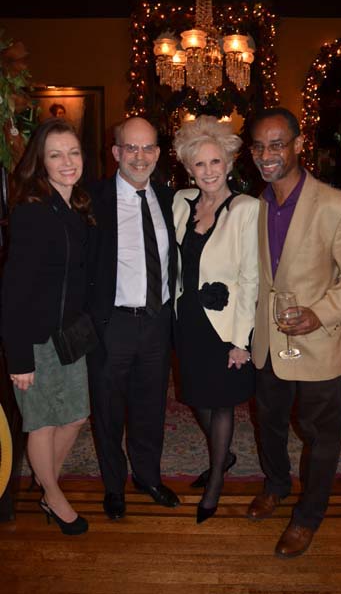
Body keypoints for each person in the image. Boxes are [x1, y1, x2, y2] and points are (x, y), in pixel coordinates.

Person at [246, 107, 341, 557]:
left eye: (277, 144)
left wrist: (321, 313)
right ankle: (277, 485)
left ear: (299, 145)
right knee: (270, 424)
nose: (268, 154)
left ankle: (308, 516)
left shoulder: (338, 207)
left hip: (317, 343)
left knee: (321, 434)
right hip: (267, 341)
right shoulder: (254, 205)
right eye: (259, 146)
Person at [1, 118, 95, 535]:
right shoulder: (31, 213)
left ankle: (46, 485)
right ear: (40, 162)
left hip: (69, 336)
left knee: (74, 416)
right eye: (55, 155)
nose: (67, 162)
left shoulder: (74, 205)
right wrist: (19, 356)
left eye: (73, 152)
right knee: (42, 422)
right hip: (36, 340)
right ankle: (54, 498)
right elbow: (14, 291)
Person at [86, 116, 179, 520]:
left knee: (150, 407)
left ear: (157, 153)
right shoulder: (92, 198)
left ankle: (147, 476)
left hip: (157, 323)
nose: (139, 157)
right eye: (131, 148)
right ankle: (114, 487)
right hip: (113, 324)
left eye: (147, 148)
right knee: (107, 411)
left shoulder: (171, 197)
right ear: (116, 152)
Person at [172, 115, 259, 523]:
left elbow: (251, 278)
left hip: (224, 324)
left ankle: (215, 483)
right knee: (196, 396)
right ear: (189, 168)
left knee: (220, 401)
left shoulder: (245, 208)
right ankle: (224, 456)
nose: (208, 171)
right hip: (187, 317)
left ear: (229, 163)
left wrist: (241, 340)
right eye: (199, 164)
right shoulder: (181, 202)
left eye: (216, 162)